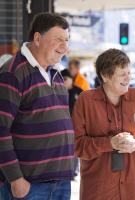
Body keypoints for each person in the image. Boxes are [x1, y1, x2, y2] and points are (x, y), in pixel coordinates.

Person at [72, 48, 135, 200]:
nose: (128, 78)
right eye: (122, 74)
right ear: (105, 76)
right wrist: (109, 143)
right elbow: (76, 146)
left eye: (129, 73)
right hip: (98, 193)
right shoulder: (86, 100)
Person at [0, 13, 74, 200]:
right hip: (28, 186)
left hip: (61, 182)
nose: (65, 46)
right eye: (58, 39)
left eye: (67, 40)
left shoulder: (56, 75)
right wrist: (15, 179)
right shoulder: (13, 73)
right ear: (38, 38)